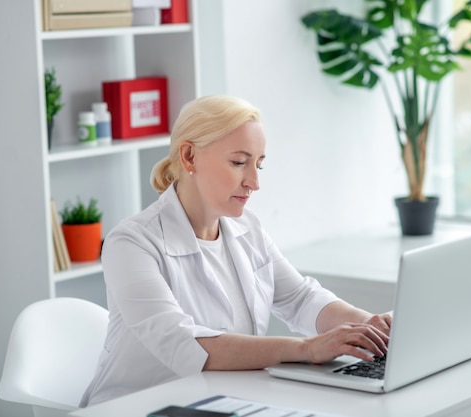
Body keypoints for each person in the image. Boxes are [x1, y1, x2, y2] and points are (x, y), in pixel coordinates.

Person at [79, 95, 392, 407]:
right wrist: (307, 349)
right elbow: (181, 342)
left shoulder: (247, 228)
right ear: (189, 157)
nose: (254, 182)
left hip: (221, 402)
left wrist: (371, 326)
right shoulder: (131, 243)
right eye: (239, 163)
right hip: (138, 408)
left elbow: (300, 298)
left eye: (259, 164)